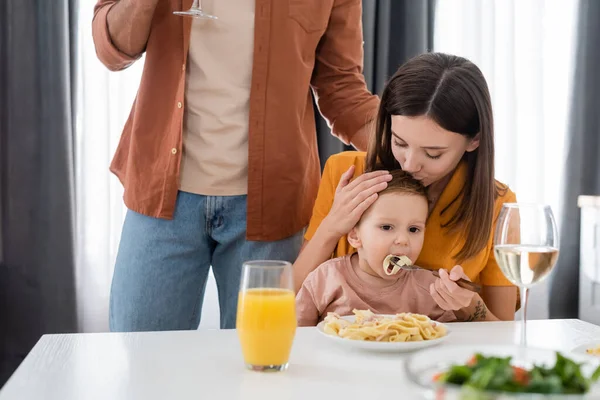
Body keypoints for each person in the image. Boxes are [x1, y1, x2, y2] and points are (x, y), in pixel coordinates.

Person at [91, 0, 378, 331]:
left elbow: (341, 88)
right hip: (160, 195)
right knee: (141, 354)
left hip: (271, 203)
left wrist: (410, 147)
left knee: (260, 363)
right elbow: (110, 48)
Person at [293, 52, 518, 322]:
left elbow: (503, 333)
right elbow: (285, 300)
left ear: (474, 141)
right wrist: (332, 227)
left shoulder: (496, 204)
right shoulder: (347, 174)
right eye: (399, 143)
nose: (410, 164)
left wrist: (470, 304)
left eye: (433, 154)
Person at [297, 170, 468, 326]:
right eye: (386, 227)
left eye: (413, 229)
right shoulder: (325, 279)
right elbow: (297, 334)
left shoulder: (430, 289)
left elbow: (444, 340)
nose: (403, 240)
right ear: (355, 236)